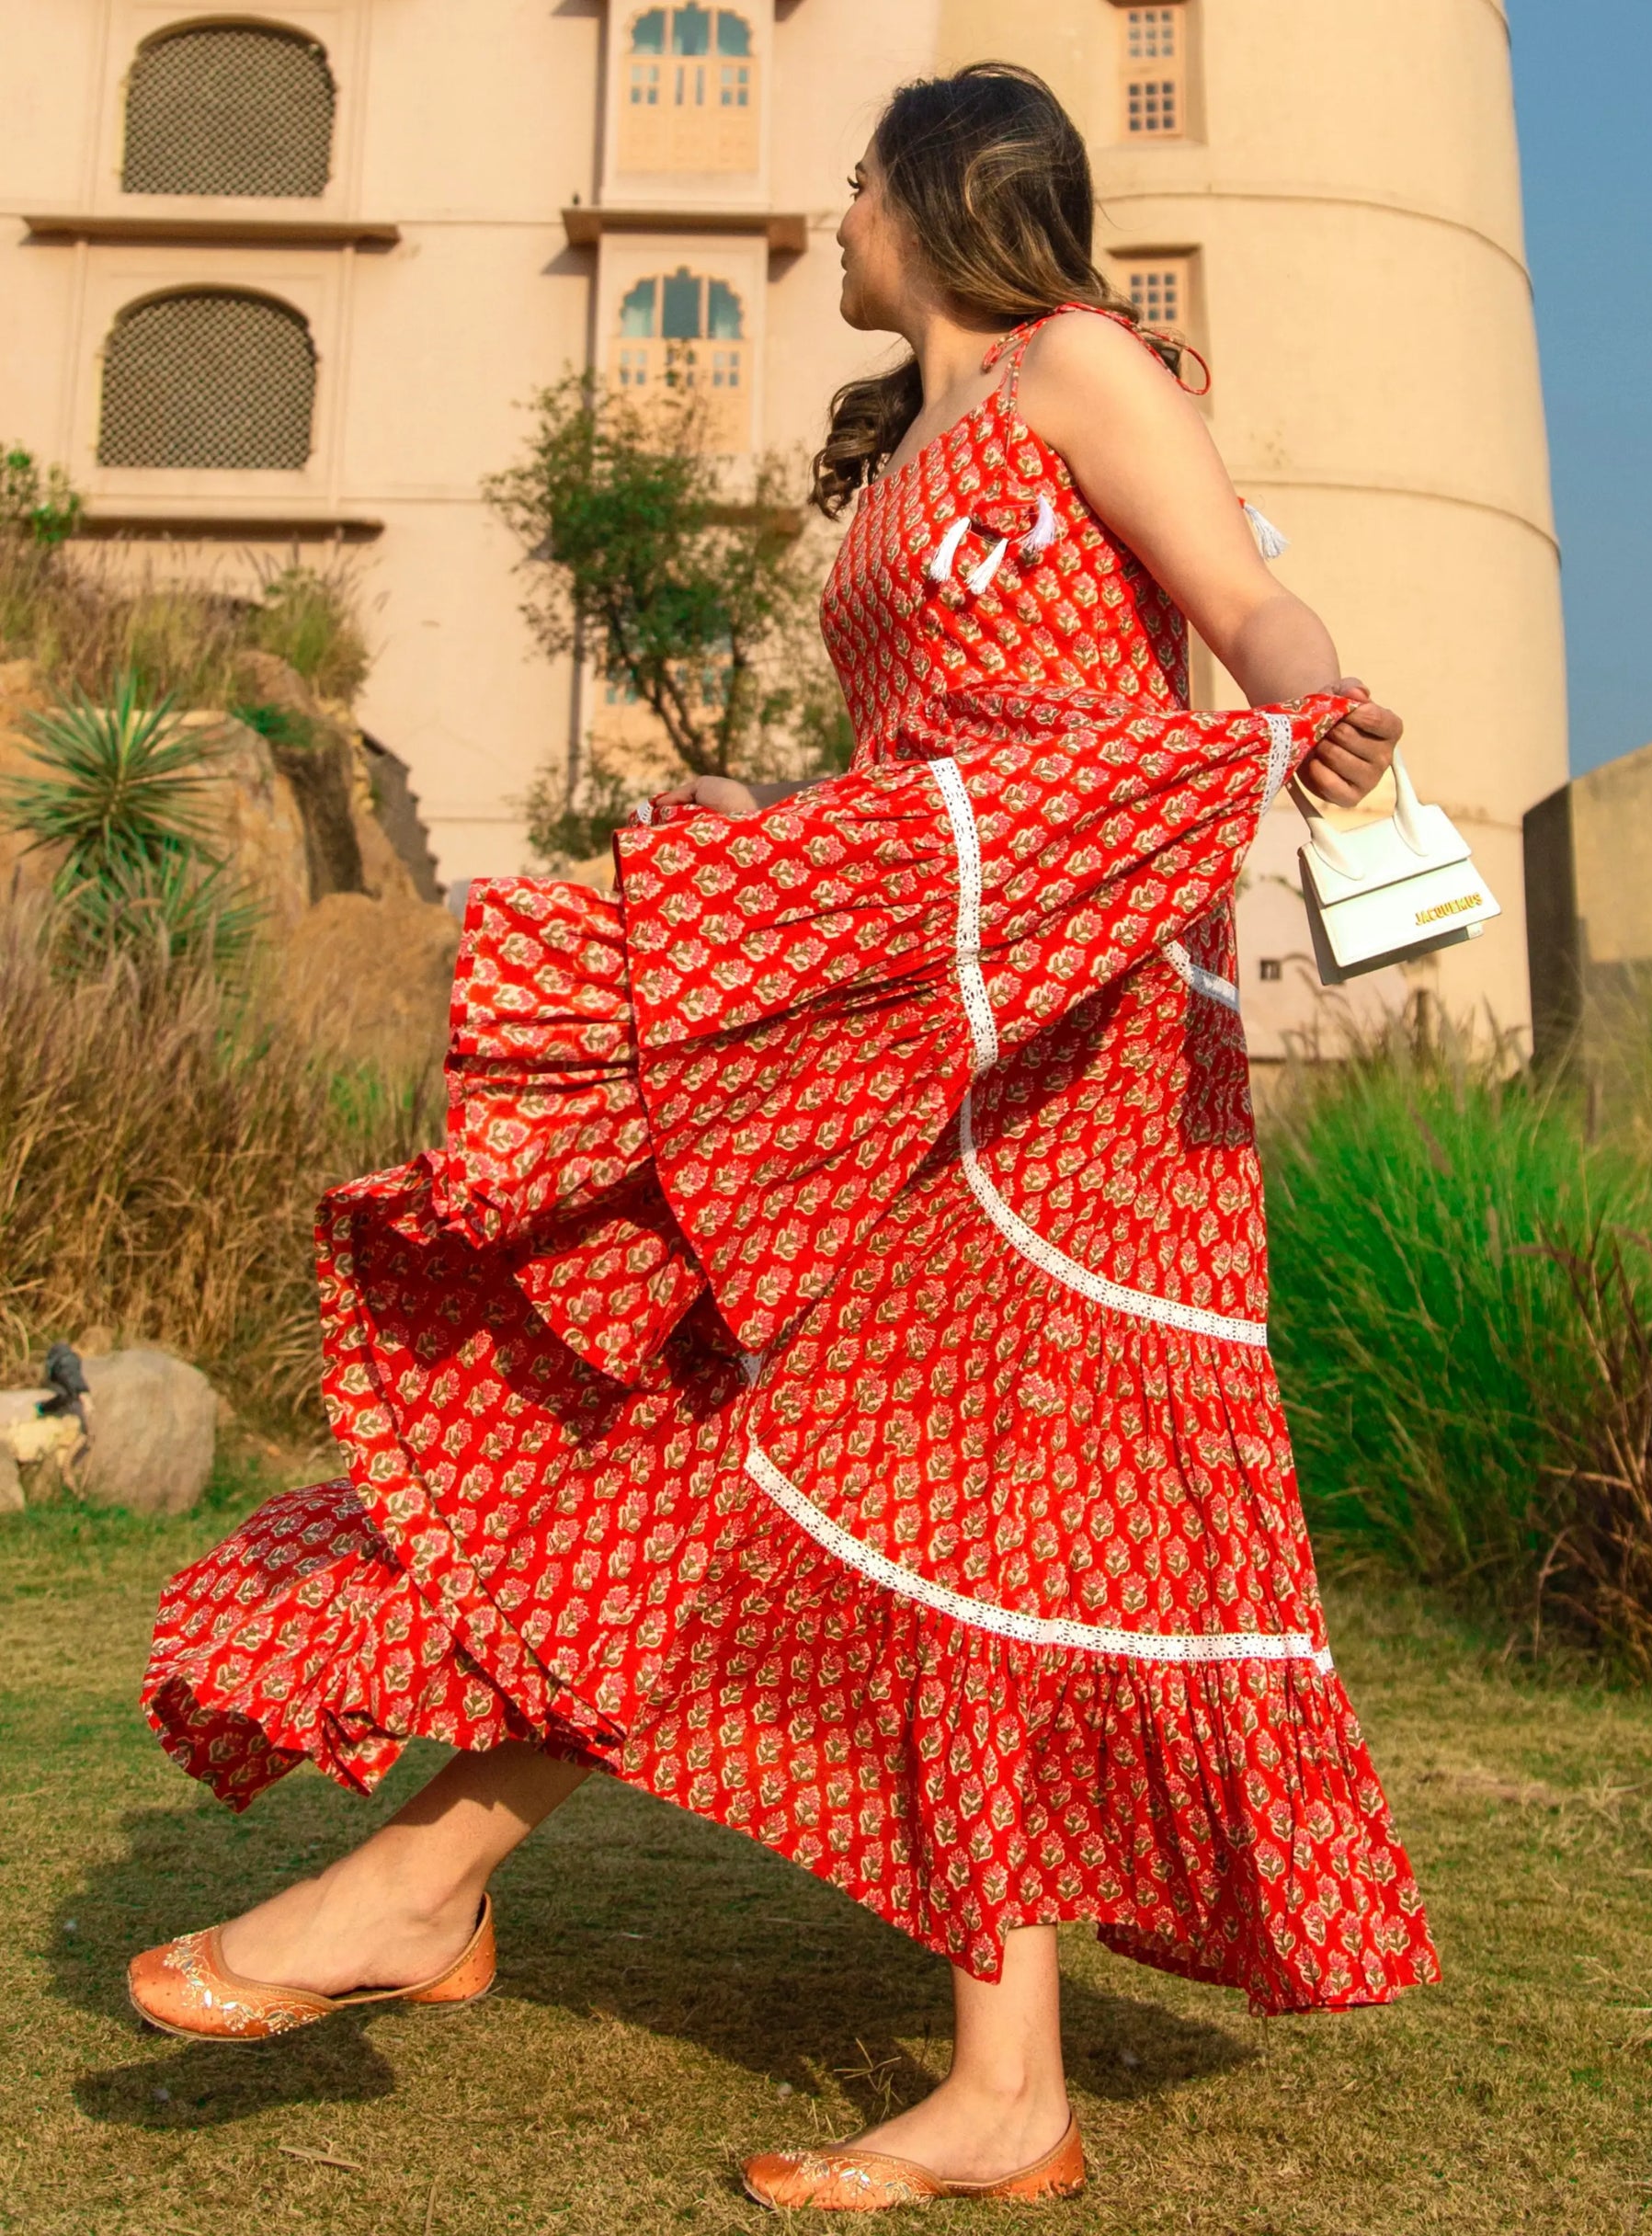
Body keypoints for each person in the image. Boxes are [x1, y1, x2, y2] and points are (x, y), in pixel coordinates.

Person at [129, 63, 1438, 2213]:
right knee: (895, 1483)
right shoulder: (902, 443)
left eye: (853, 183)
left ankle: (423, 1884)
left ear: (935, 200)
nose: (833, 217)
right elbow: (917, 744)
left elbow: (1240, 600)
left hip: (1074, 1015)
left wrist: (1327, 706)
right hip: (930, 985)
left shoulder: (1080, 361)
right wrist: (767, 834)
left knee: (827, 1445)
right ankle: (981, 2078)